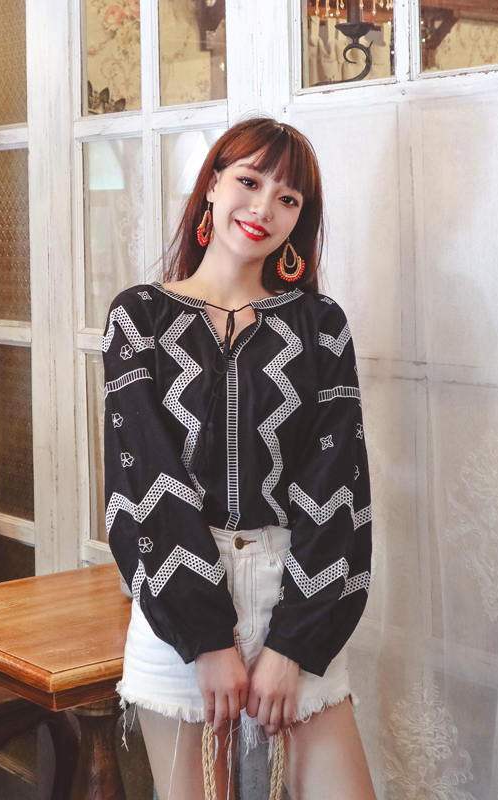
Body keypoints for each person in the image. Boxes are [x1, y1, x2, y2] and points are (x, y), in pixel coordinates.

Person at [102, 117, 376, 800]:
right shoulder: (139, 319)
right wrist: (206, 639)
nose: (263, 209)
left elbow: (338, 488)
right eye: (250, 182)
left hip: (296, 587)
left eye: (287, 198)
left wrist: (293, 645)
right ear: (213, 185)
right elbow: (145, 481)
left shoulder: (321, 327)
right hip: (177, 602)